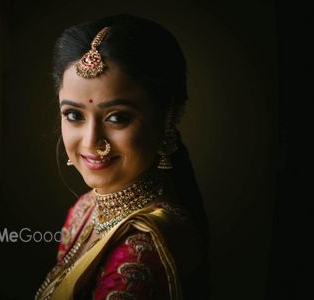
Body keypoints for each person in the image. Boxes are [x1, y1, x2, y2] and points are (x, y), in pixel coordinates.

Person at [35, 14, 210, 300]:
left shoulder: (142, 251)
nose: (92, 142)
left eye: (117, 117)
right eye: (74, 115)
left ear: (168, 118)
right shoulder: (85, 209)